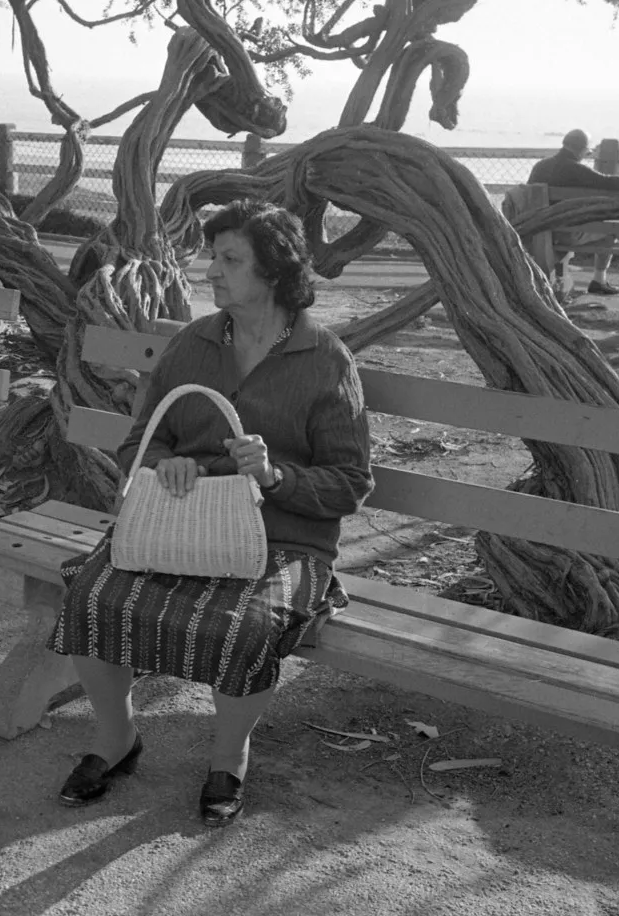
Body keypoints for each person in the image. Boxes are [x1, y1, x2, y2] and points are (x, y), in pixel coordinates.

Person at [46, 198, 372, 828]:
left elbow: (351, 484)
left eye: (229, 259)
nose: (210, 272)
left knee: (244, 627)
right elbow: (142, 438)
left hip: (284, 540)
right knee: (89, 596)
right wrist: (165, 461)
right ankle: (118, 742)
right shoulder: (194, 343)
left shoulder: (325, 360)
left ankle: (229, 757)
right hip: (180, 524)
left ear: (273, 271)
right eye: (211, 256)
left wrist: (276, 474)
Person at [527, 129, 619, 297]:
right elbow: (608, 182)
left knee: (611, 227)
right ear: (581, 149)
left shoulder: (540, 167)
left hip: (540, 231)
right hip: (566, 234)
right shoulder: (575, 170)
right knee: (612, 228)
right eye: (587, 151)